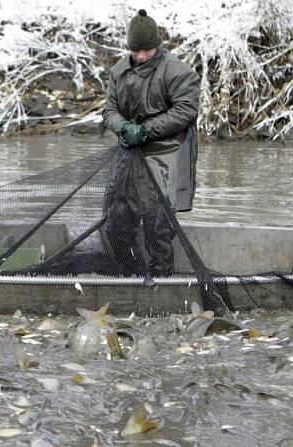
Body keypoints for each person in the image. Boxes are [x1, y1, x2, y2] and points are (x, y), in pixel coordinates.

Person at [102, 9, 201, 277]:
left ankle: (161, 276)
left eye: (147, 49)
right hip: (130, 151)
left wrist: (145, 130)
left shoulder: (177, 71)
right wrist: (123, 126)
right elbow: (109, 109)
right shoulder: (118, 71)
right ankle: (130, 272)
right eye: (136, 50)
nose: (141, 55)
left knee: (157, 222)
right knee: (117, 221)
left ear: (157, 46)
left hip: (167, 150)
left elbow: (186, 110)